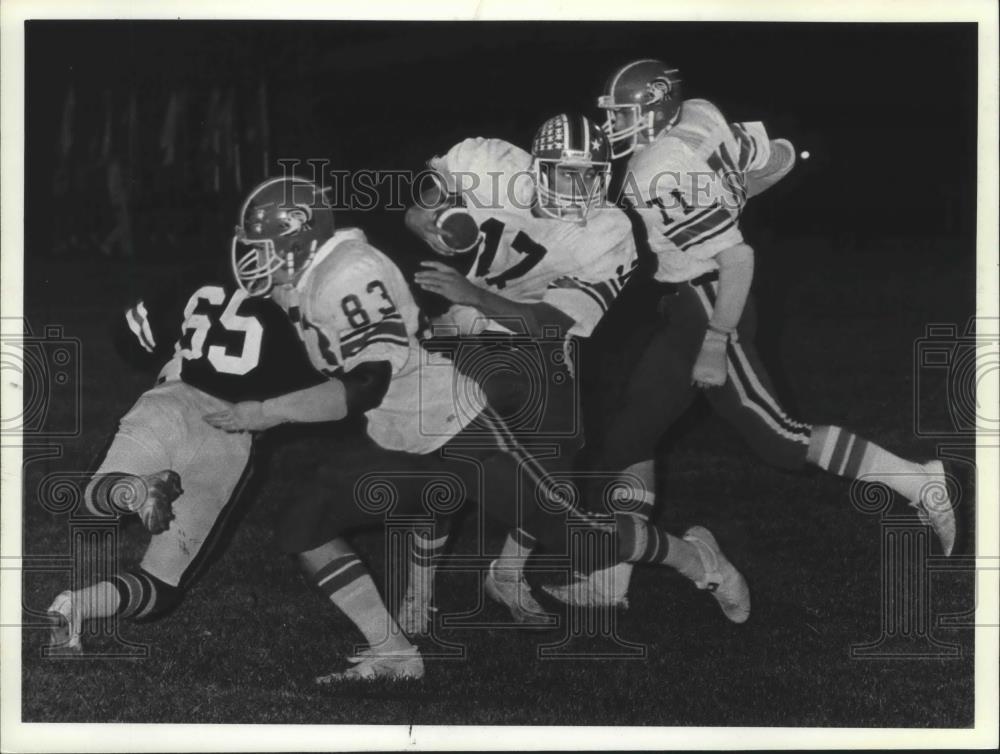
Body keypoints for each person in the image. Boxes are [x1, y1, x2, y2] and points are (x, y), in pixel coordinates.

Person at [209, 176, 750, 680]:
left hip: (462, 432)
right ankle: (394, 650)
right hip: (401, 437)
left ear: (299, 240)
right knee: (304, 526)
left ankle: (699, 560)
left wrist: (265, 413)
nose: (251, 259)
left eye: (260, 247)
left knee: (577, 540)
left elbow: (364, 384)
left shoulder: (349, 274)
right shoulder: (307, 276)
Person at [545, 59, 956, 609]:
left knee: (780, 440)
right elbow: (780, 155)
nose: (616, 124)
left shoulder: (654, 168)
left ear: (655, 106)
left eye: (624, 113)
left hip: (711, 302)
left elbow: (738, 256)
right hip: (686, 303)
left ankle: (919, 481)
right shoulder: (699, 114)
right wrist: (732, 192)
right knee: (627, 438)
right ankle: (610, 581)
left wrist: (717, 340)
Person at [403, 114, 638, 623]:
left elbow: (547, 323)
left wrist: (473, 293)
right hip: (463, 327)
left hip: (542, 338)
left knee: (554, 471)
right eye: (567, 174)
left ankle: (507, 576)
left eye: (592, 175)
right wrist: (421, 214)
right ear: (537, 168)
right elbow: (430, 195)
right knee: (448, 465)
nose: (582, 189)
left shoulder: (609, 231)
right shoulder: (490, 163)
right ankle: (417, 596)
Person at [46, 256, 327, 654]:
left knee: (89, 511)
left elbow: (130, 332)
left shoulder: (203, 275)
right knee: (161, 586)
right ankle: (79, 605)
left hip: (169, 402)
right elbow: (326, 394)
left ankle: (133, 490)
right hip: (231, 437)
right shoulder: (313, 297)